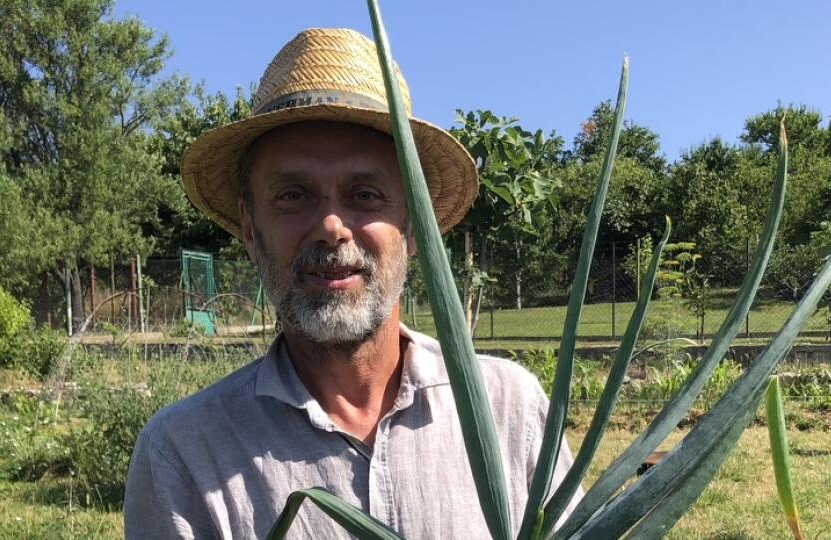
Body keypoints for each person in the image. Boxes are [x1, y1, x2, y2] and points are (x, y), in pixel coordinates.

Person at [124, 28, 580, 539]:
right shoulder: (185, 453)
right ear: (251, 233)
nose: (331, 227)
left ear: (413, 229)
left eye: (365, 195)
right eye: (293, 196)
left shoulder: (511, 410)